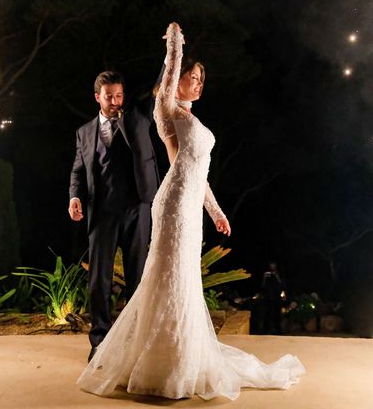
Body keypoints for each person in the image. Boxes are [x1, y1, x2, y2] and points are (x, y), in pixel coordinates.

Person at [77, 23, 304, 400]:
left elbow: (201, 174)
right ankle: (156, 363)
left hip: (190, 208)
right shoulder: (165, 110)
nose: (199, 83)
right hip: (172, 206)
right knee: (166, 280)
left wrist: (216, 212)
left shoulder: (194, 120)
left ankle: (180, 356)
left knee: (183, 284)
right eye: (192, 77)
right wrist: (176, 47)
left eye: (201, 79)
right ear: (175, 81)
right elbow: (168, 78)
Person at [68, 70, 159, 362]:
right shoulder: (84, 132)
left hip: (137, 208)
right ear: (98, 97)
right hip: (102, 212)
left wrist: (173, 47)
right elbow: (78, 171)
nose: (116, 101)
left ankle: (134, 339)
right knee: (99, 280)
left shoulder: (139, 118)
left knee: (137, 277)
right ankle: (100, 341)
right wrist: (74, 197)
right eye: (109, 96)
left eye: (119, 95)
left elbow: (159, 85)